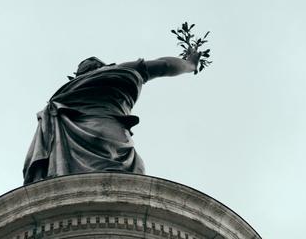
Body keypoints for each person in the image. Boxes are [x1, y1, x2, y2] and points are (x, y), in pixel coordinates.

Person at [23, 51, 201, 184]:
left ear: (77, 75)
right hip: (110, 134)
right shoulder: (117, 71)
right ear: (103, 66)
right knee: (127, 183)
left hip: (70, 141)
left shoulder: (65, 92)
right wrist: (189, 64)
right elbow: (163, 66)